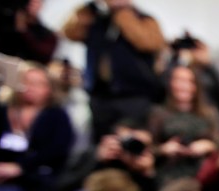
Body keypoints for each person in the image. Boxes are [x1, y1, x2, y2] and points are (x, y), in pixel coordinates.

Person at [61, 0, 166, 143]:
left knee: (133, 141)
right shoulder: (97, 19)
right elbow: (70, 33)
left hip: (134, 95)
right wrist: (86, 10)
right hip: (100, 95)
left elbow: (150, 43)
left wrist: (123, 15)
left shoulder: (144, 19)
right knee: (102, 142)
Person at [0, 61, 74, 191]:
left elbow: (56, 150)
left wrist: (20, 167)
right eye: (26, 82)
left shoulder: (56, 115)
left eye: (38, 84)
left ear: (49, 89)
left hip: (39, 178)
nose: (30, 88)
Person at [148, 63, 219, 187]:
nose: (183, 86)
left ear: (196, 86)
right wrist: (165, 149)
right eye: (179, 80)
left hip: (203, 172)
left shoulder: (209, 113)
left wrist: (208, 146)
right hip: (170, 173)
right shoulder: (159, 113)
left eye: (189, 81)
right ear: (171, 84)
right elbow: (149, 147)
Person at [0, 0, 58, 64]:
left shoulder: (45, 33)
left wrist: (24, 31)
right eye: (29, 2)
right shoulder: (5, 21)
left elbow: (43, 54)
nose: (31, 4)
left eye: (35, 2)